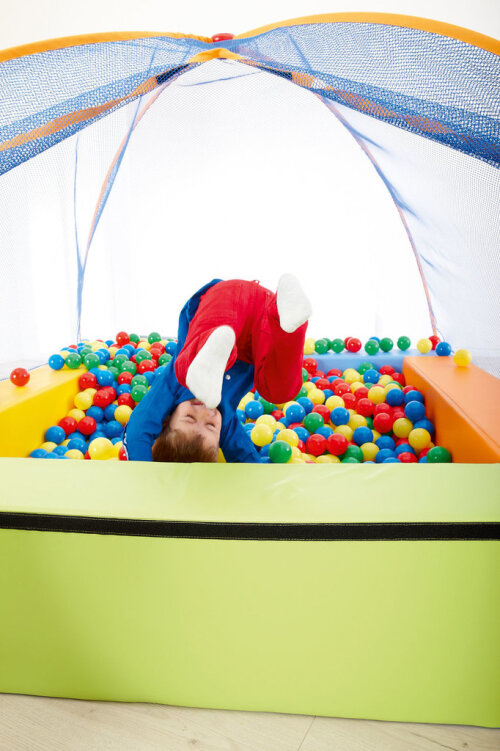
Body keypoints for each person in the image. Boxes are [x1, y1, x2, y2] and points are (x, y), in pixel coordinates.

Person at [123, 275, 311, 463]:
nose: (204, 412)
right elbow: (246, 459)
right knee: (279, 392)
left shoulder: (171, 390)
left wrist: (147, 475)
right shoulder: (226, 422)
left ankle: (209, 352)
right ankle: (289, 325)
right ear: (220, 436)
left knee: (186, 369)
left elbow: (137, 432)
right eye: (211, 426)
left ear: (166, 420)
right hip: (264, 321)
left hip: (225, 304)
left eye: (189, 417)